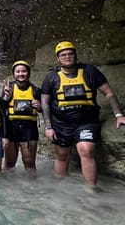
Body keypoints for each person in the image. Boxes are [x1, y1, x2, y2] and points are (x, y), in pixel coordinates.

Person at [41, 40, 125, 185]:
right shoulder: (51, 77)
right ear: (58, 59)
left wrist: (119, 115)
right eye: (63, 55)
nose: (67, 57)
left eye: (70, 54)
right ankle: (60, 188)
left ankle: (91, 191)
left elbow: (108, 92)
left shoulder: (90, 71)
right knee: (61, 154)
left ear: (75, 55)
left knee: (86, 150)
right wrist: (49, 127)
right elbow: (45, 103)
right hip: (61, 123)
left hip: (86, 121)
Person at [2, 60, 42, 171]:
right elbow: (2, 107)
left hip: (30, 129)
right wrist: (6, 96)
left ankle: (31, 187)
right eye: (18, 71)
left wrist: (39, 106)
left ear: (28, 73)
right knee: (9, 163)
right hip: (11, 128)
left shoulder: (36, 90)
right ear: (14, 74)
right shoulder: (8, 88)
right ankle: (8, 187)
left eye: (23, 71)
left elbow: (43, 109)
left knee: (29, 163)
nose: (21, 74)